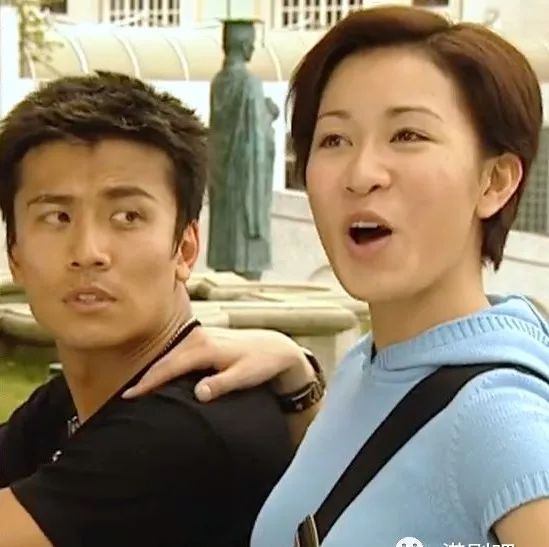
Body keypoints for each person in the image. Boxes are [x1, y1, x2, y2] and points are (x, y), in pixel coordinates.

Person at [125, 6, 549, 547]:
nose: (361, 174)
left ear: (495, 182)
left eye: (408, 135)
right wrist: (297, 375)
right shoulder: (372, 363)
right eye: (334, 140)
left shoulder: (501, 420)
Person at [0, 71, 294, 546]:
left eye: (127, 217)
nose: (88, 252)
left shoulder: (189, 426)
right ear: (15, 256)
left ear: (185, 248)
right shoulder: (72, 401)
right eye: (57, 217)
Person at [207, 19, 273, 281]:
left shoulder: (218, 82)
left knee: (225, 258)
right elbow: (256, 137)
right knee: (247, 268)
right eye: (252, 43)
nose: (253, 49)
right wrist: (268, 116)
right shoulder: (249, 83)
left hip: (223, 181)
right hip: (246, 184)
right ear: (245, 45)